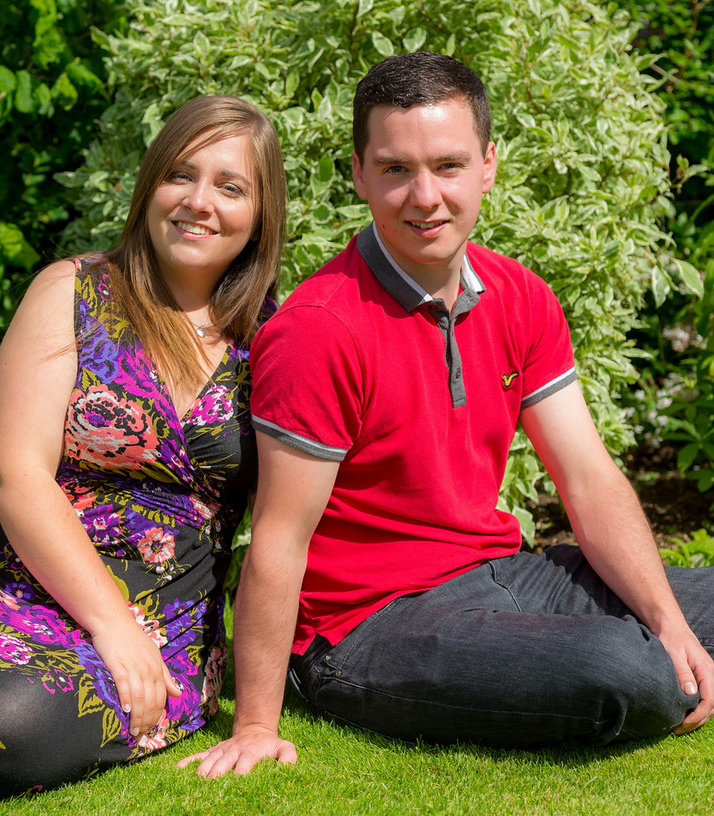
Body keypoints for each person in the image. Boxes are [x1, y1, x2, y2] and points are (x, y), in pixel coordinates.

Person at [179, 53, 714, 778]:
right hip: (366, 624)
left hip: (500, 573)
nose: (425, 196)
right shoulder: (320, 327)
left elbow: (586, 477)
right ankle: (650, 668)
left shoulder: (520, 296)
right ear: (361, 174)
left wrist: (672, 624)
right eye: (397, 169)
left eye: (449, 165)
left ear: (488, 165)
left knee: (674, 631)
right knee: (624, 669)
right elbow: (278, 535)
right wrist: (254, 725)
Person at [0, 95, 286, 795]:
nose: (198, 202)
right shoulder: (75, 291)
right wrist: (110, 625)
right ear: (149, 183)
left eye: (230, 186)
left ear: (261, 214)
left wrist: (253, 715)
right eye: (180, 175)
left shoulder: (277, 338)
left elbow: (289, 523)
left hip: (164, 625)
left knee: (11, 727)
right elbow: (15, 474)